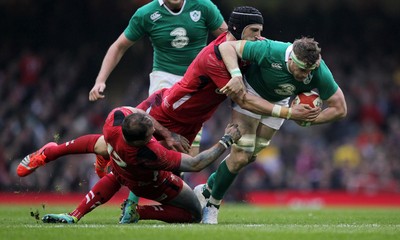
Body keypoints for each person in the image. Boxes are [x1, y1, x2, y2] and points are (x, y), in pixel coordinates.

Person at [17, 6, 319, 223]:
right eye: (255, 33)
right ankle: (58, 154)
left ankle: (124, 196)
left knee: (137, 162)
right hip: (168, 111)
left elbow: (234, 42)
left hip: (188, 118)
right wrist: (287, 111)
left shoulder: (211, 16)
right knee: (126, 156)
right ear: (240, 31)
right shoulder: (213, 59)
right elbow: (244, 98)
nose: (259, 39)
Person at [88, 0, 227, 213]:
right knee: (149, 146)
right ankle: (131, 202)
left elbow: (227, 39)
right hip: (165, 83)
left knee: (185, 153)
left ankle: (164, 206)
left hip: (198, 83)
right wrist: (100, 80)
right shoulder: (146, 13)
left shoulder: (203, 6)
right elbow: (119, 46)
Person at [193, 36, 348, 224]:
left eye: (309, 70)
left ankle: (206, 189)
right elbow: (227, 47)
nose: (304, 75)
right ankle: (212, 206)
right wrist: (236, 75)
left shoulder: (318, 70)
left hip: (280, 103)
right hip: (250, 95)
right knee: (241, 154)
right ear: (290, 59)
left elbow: (340, 109)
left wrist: (309, 120)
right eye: (301, 69)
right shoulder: (269, 50)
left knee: (249, 157)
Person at [40, 106, 241, 224]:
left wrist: (166, 134)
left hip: (121, 171)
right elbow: (197, 163)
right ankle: (139, 211)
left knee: (116, 174)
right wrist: (226, 140)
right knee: (194, 213)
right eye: (150, 132)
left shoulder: (114, 123)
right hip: (155, 184)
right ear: (142, 140)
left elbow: (132, 113)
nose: (154, 130)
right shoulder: (151, 154)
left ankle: (74, 215)